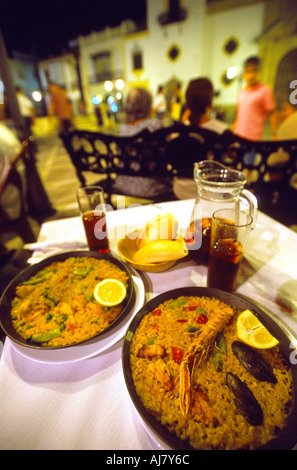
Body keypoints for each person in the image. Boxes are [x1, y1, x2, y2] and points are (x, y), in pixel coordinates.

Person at [174, 77, 229, 199]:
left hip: (179, 190)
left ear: (187, 103)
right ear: (210, 102)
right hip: (210, 193)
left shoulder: (178, 131)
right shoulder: (221, 130)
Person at [114, 87, 171, 198]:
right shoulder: (153, 125)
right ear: (146, 105)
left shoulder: (122, 128)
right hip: (150, 186)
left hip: (123, 183)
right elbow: (166, 155)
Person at [232, 56, 276, 141]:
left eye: (254, 71)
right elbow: (239, 116)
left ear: (258, 72)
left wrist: (275, 133)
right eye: (248, 71)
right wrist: (232, 131)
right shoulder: (241, 92)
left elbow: (272, 113)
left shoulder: (265, 90)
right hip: (238, 135)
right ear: (244, 73)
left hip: (253, 138)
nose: (251, 75)